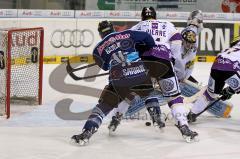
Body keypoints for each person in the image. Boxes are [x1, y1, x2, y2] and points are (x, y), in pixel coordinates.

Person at [108, 7, 199, 142]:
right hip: (163, 62)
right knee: (174, 97)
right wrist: (171, 58)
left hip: (144, 62)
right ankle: (184, 127)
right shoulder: (167, 24)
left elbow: (128, 48)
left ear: (142, 17)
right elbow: (177, 42)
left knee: (130, 93)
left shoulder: (138, 26)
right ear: (155, 17)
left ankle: (116, 118)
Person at [71, 20, 157, 146]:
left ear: (100, 34)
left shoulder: (97, 50)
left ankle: (87, 130)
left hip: (118, 80)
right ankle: (157, 117)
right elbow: (148, 38)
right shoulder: (128, 33)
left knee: (104, 106)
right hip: (138, 74)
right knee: (148, 92)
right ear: (113, 28)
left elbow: (105, 67)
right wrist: (145, 52)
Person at [188, 36, 240, 122]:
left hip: (217, 64)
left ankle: (192, 113)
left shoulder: (229, 49)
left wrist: (231, 90)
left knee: (210, 94)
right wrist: (231, 90)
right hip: (232, 67)